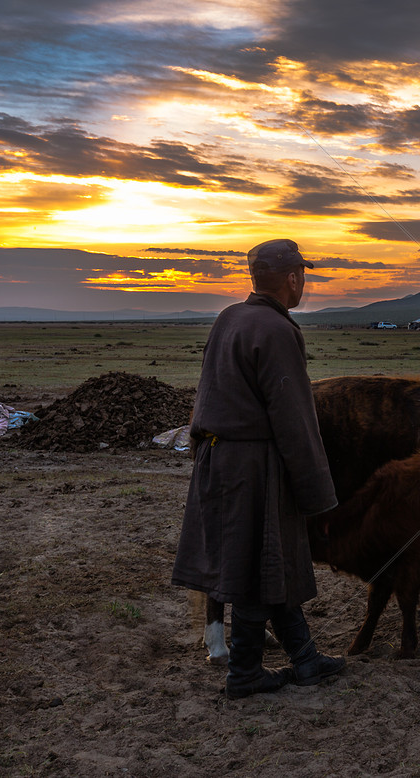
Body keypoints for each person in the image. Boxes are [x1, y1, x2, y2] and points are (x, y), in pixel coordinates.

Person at [172, 238, 345, 699]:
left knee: (271, 559)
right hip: (254, 465)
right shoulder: (277, 330)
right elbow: (295, 421)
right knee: (260, 564)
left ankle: (304, 658)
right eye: (303, 275)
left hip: (216, 457)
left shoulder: (230, 318)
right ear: (292, 279)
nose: (304, 282)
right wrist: (318, 495)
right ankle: (245, 674)